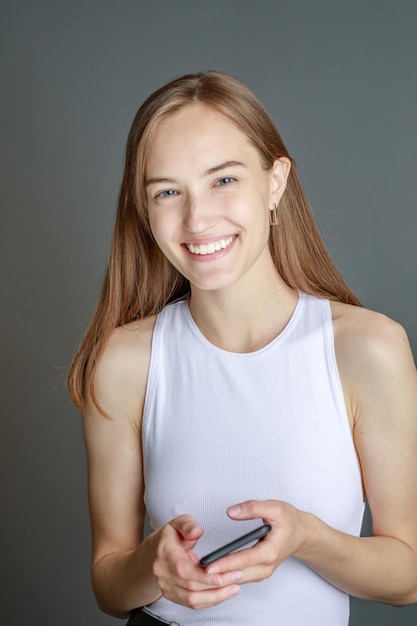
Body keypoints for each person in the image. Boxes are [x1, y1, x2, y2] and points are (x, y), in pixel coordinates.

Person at [68, 71, 417, 626]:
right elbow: (109, 585)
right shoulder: (124, 362)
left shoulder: (370, 349)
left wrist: (308, 538)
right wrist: (150, 566)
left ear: (275, 182)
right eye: (166, 191)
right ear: (144, 209)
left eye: (223, 180)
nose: (197, 218)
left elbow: (407, 575)